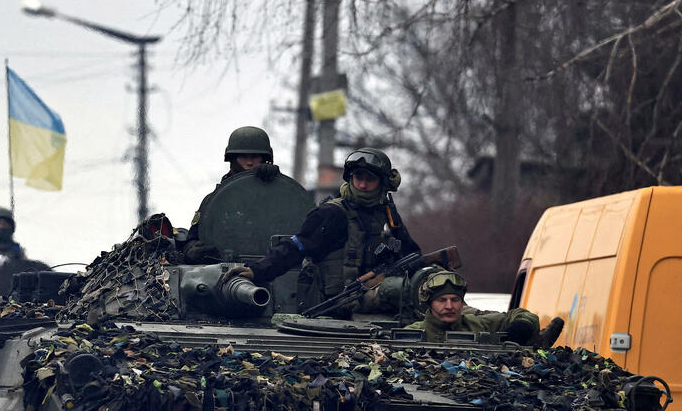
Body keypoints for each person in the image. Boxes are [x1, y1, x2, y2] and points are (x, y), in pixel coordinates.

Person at [224, 148, 421, 313]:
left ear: (382, 183)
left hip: (377, 304)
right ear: (350, 178)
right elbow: (295, 247)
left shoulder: (386, 214)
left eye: (370, 179)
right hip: (337, 305)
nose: (362, 184)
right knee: (399, 289)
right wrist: (256, 270)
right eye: (358, 177)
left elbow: (411, 253)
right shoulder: (333, 213)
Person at [182, 126, 282, 263]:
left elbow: (293, 230)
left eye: (255, 157)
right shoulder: (215, 200)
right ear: (232, 158)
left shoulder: (278, 196)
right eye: (243, 156)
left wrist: (276, 181)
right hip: (222, 269)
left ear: (264, 158)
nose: (249, 162)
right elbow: (192, 240)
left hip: (271, 267)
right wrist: (193, 250)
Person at [405, 270, 564, 345]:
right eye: (441, 300)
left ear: (462, 303)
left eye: (455, 299)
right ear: (429, 303)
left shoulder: (478, 324)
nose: (449, 306)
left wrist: (522, 326)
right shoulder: (411, 333)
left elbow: (519, 314)